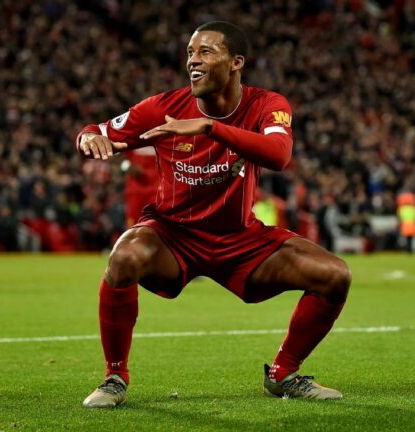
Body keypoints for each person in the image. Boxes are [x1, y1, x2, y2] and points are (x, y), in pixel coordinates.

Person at [75, 21, 351, 407]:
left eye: (206, 52)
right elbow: (97, 130)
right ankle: (115, 377)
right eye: (190, 53)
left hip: (240, 239)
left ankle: (284, 373)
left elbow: (278, 156)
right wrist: (89, 137)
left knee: (335, 275)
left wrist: (209, 128)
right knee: (124, 256)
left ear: (236, 62)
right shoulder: (163, 108)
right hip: (173, 237)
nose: (193, 61)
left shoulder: (267, 105)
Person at [122, 147, 158, 227]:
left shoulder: (164, 136)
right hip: (135, 190)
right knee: (133, 227)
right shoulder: (131, 135)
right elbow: (122, 158)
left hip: (157, 190)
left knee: (156, 227)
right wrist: (128, 166)